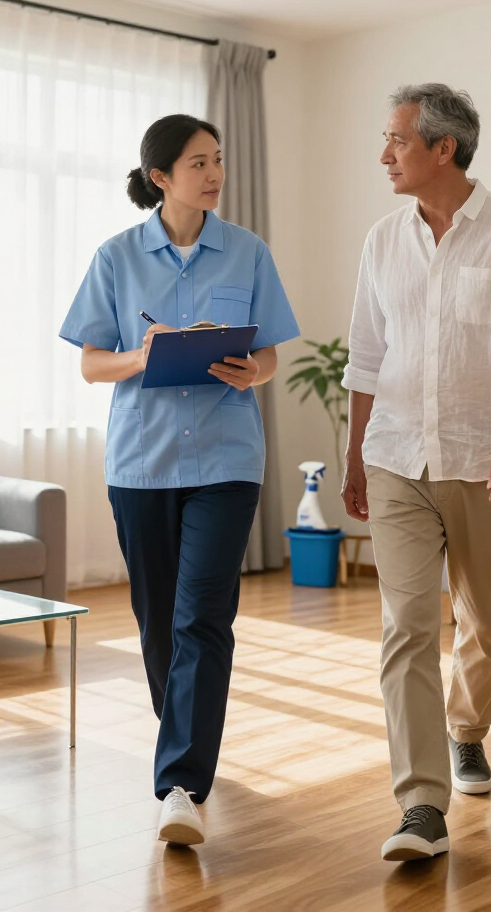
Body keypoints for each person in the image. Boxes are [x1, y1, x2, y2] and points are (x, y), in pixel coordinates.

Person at [341, 84, 491, 862]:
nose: (384, 155)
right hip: (396, 457)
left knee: (484, 619)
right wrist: (354, 453)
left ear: (444, 148)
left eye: (397, 140)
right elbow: (366, 356)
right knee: (406, 627)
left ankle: (467, 729)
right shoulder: (382, 240)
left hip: (484, 461)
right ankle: (420, 806)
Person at [60, 113, 300, 847]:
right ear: (160, 177)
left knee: (203, 617)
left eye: (218, 159)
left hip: (227, 462)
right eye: (199, 162)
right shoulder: (116, 257)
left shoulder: (249, 253)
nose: (215, 173)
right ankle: (187, 741)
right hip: (143, 464)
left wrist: (252, 371)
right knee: (159, 622)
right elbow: (91, 363)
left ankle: (180, 786)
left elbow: (270, 356)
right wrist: (143, 355)